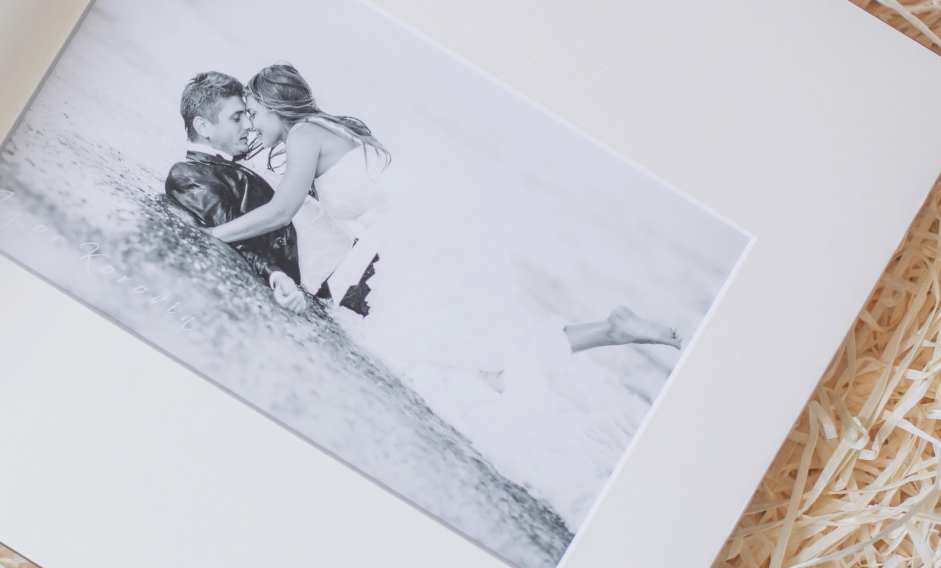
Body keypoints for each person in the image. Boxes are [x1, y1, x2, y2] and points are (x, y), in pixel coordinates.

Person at [208, 63, 683, 384]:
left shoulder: (304, 134)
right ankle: (611, 330)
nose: (251, 125)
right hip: (431, 217)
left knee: (410, 345)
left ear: (275, 107)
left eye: (253, 114)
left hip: (423, 225)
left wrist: (212, 236)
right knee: (475, 348)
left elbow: (281, 210)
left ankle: (608, 333)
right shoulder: (324, 129)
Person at [164, 71, 307, 313]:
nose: (249, 125)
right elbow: (234, 235)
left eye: (247, 116)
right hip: (333, 280)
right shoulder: (187, 174)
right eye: (236, 118)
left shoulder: (239, 158)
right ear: (203, 126)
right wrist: (275, 275)